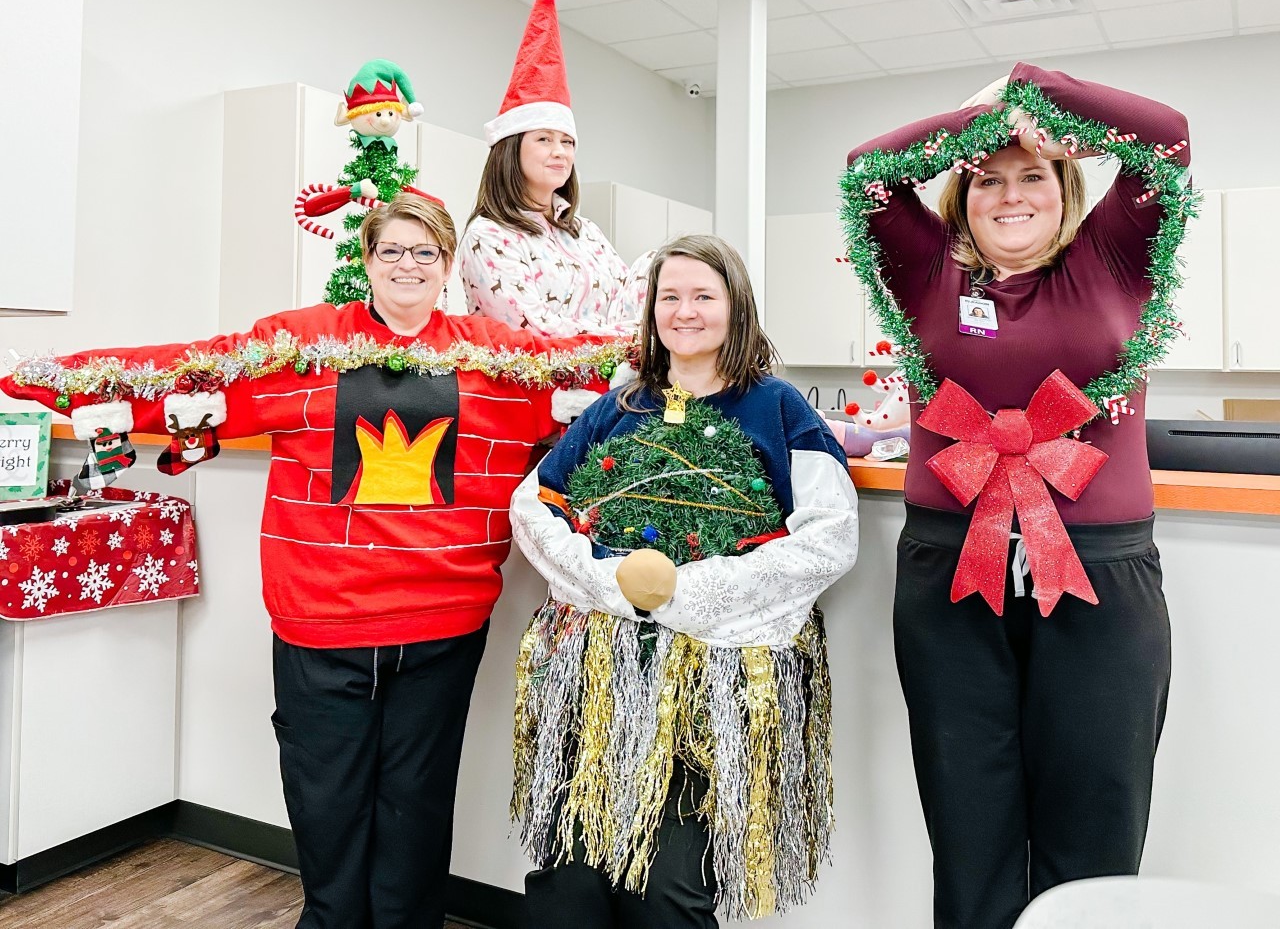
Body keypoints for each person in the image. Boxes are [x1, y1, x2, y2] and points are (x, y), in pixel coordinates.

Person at [1, 193, 624, 929]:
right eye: (391, 249)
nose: (408, 265)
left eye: (425, 251)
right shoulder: (301, 345)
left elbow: (600, 369)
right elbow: (186, 374)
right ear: (365, 260)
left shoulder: (495, 354)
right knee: (325, 801)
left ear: (449, 265)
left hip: (443, 627)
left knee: (417, 804)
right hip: (322, 622)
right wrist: (37, 377)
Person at [845, 62, 1188, 929]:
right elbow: (864, 170)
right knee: (970, 828)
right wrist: (983, 122)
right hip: (949, 580)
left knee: (1096, 832)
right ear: (960, 195)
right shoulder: (928, 274)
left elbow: (1169, 136)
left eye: (1031, 172)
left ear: (1065, 181)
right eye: (986, 177)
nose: (1010, 194)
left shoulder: (1113, 254)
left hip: (1100, 585)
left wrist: (1035, 89)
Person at [507, 235, 860, 927]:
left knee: (671, 890)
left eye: (704, 295)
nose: (685, 311)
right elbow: (535, 504)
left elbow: (829, 537)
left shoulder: (778, 408)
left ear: (737, 307)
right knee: (569, 881)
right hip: (596, 683)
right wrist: (608, 582)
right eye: (670, 296)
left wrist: (683, 594)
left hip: (711, 693)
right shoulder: (619, 407)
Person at [457, 0, 649, 343]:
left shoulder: (585, 231)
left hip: (610, 389)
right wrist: (622, 336)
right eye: (544, 139)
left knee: (657, 261)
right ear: (512, 148)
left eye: (567, 142)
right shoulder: (489, 235)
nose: (560, 152)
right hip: (533, 397)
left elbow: (636, 299)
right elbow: (535, 330)